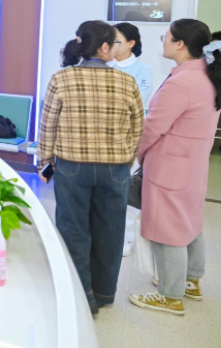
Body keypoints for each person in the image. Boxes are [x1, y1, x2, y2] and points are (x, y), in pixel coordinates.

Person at [38, 20, 144, 315]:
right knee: (110, 230)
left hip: (72, 167)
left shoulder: (61, 79)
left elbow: (48, 125)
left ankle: (82, 296)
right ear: (105, 47)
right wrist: (128, 159)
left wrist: (45, 162)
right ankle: (104, 293)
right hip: (115, 169)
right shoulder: (127, 82)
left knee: (73, 229)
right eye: (115, 43)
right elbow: (138, 126)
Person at [129, 20, 221, 316]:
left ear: (180, 44)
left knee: (168, 229)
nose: (163, 40)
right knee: (190, 222)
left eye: (167, 36)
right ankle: (191, 281)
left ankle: (170, 296)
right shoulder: (207, 76)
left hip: (169, 167)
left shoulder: (182, 83)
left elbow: (153, 128)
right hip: (193, 166)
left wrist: (136, 155)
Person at [108, 22, 154, 257]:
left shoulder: (142, 70)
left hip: (128, 138)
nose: (111, 44)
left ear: (131, 43)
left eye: (117, 40)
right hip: (103, 138)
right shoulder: (105, 65)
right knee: (105, 190)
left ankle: (126, 237)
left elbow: (136, 101)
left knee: (125, 189)